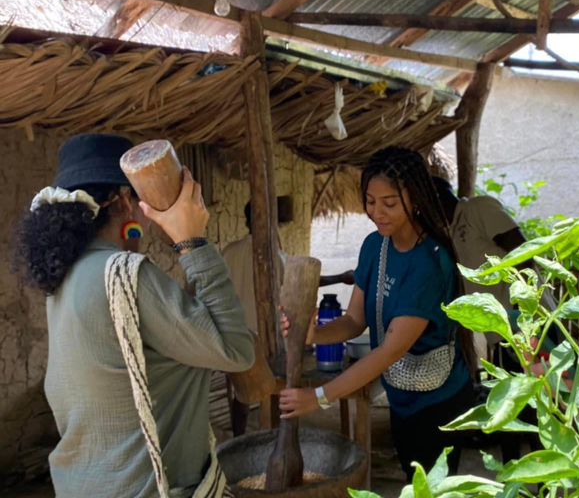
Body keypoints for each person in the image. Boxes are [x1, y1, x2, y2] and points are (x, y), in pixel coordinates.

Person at [13, 134, 255, 498]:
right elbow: (236, 350)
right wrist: (192, 241)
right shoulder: (124, 272)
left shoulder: (64, 281)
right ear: (126, 201)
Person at [277, 146, 476, 481]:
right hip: (402, 396)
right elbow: (356, 320)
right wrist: (313, 335)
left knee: (435, 487)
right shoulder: (374, 247)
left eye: (390, 203)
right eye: (370, 201)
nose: (378, 212)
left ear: (414, 199)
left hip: (439, 403)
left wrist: (319, 397)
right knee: (415, 480)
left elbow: (388, 351)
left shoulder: (428, 262)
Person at [431, 176, 557, 461]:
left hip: (529, 326)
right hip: (503, 334)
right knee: (510, 411)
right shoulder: (450, 233)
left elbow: (524, 253)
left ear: (436, 198)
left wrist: (520, 317)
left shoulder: (477, 209)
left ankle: (547, 488)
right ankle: (515, 479)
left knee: (542, 411)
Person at [221, 202, 356, 435]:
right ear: (270, 223)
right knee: (274, 389)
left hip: (236, 338)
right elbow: (308, 281)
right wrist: (341, 277)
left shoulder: (229, 252)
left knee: (241, 394)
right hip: (267, 341)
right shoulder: (276, 258)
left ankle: (238, 437)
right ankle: (275, 435)